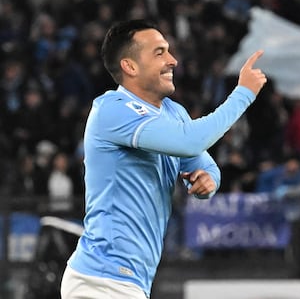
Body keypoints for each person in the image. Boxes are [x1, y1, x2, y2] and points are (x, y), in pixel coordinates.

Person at [60, 19, 267, 299]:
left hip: (129, 282)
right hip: (101, 280)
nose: (173, 60)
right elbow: (190, 140)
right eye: (159, 52)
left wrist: (209, 181)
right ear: (129, 66)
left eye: (168, 50)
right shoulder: (112, 110)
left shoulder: (173, 113)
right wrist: (243, 94)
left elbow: (204, 163)